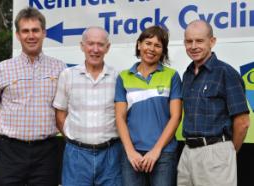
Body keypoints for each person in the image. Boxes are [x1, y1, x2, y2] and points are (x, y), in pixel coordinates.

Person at [0, 7, 66, 186]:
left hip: (48, 152)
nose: (31, 36)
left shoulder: (60, 68)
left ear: (44, 33)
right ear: (18, 35)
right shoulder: (2, 69)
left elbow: (67, 107)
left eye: (35, 30)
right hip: (10, 151)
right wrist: (8, 118)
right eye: (25, 31)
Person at [177, 20, 250, 186]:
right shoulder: (187, 75)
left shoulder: (226, 73)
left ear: (212, 41)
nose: (193, 46)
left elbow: (243, 122)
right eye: (189, 41)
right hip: (187, 152)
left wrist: (228, 152)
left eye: (199, 41)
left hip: (216, 152)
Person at [53, 26, 122, 186]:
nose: (95, 49)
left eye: (100, 44)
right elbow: (60, 115)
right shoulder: (67, 75)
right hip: (76, 156)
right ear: (82, 46)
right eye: (90, 44)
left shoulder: (117, 77)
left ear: (108, 47)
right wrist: (76, 141)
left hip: (110, 155)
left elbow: (122, 116)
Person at [115, 25, 182, 186]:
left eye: (158, 45)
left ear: (163, 51)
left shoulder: (172, 75)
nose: (152, 49)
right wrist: (130, 152)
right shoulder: (123, 77)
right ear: (139, 45)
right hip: (132, 154)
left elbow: (176, 116)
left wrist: (156, 150)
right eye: (148, 43)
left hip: (164, 153)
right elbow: (119, 117)